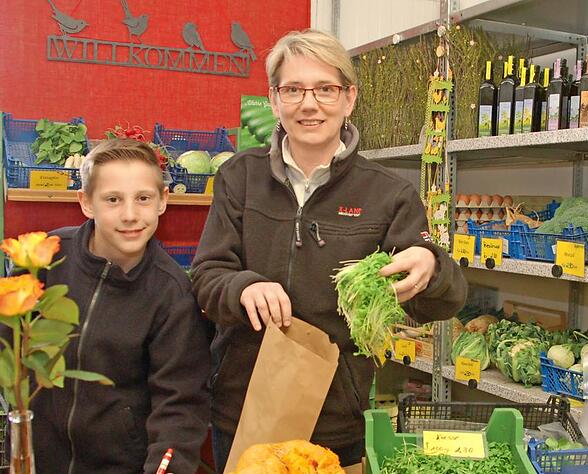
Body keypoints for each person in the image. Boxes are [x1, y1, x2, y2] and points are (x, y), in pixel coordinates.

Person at [192, 29, 467, 471]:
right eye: (294, 89)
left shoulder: (388, 193)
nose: (309, 103)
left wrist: (430, 266)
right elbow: (206, 274)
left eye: (325, 88)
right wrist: (243, 287)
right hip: (245, 406)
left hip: (337, 415)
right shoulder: (239, 178)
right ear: (275, 99)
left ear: (349, 98)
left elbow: (446, 300)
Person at [30, 138, 211, 473]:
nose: (130, 215)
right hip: (39, 457)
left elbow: (180, 405)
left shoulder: (172, 294)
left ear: (163, 201)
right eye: (113, 199)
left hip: (121, 464)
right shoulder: (47, 257)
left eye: (143, 198)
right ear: (86, 202)